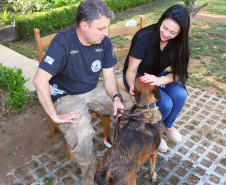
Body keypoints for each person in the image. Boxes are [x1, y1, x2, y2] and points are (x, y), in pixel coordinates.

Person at [33, 0, 131, 184]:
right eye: (101, 28)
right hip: (66, 95)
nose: (106, 33)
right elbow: (39, 80)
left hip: (94, 88)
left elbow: (109, 77)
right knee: (83, 134)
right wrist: (54, 115)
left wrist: (117, 98)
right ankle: (91, 178)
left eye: (107, 28)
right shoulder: (62, 42)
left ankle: (120, 153)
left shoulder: (104, 42)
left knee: (131, 106)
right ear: (84, 25)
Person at [122, 5, 190, 152]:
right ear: (161, 21)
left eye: (173, 32)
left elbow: (179, 73)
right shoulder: (144, 37)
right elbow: (131, 70)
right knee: (165, 104)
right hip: (137, 77)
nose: (166, 34)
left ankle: (167, 125)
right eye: (164, 27)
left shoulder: (179, 44)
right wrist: (134, 91)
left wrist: (161, 80)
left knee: (181, 94)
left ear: (181, 33)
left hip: (157, 75)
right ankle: (152, 133)